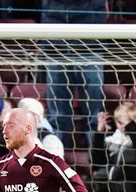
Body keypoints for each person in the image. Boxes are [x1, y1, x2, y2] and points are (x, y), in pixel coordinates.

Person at [41, 0, 106, 147]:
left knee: (94, 113)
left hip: (90, 46)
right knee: (58, 115)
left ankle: (97, 162)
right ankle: (56, 161)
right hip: (56, 46)